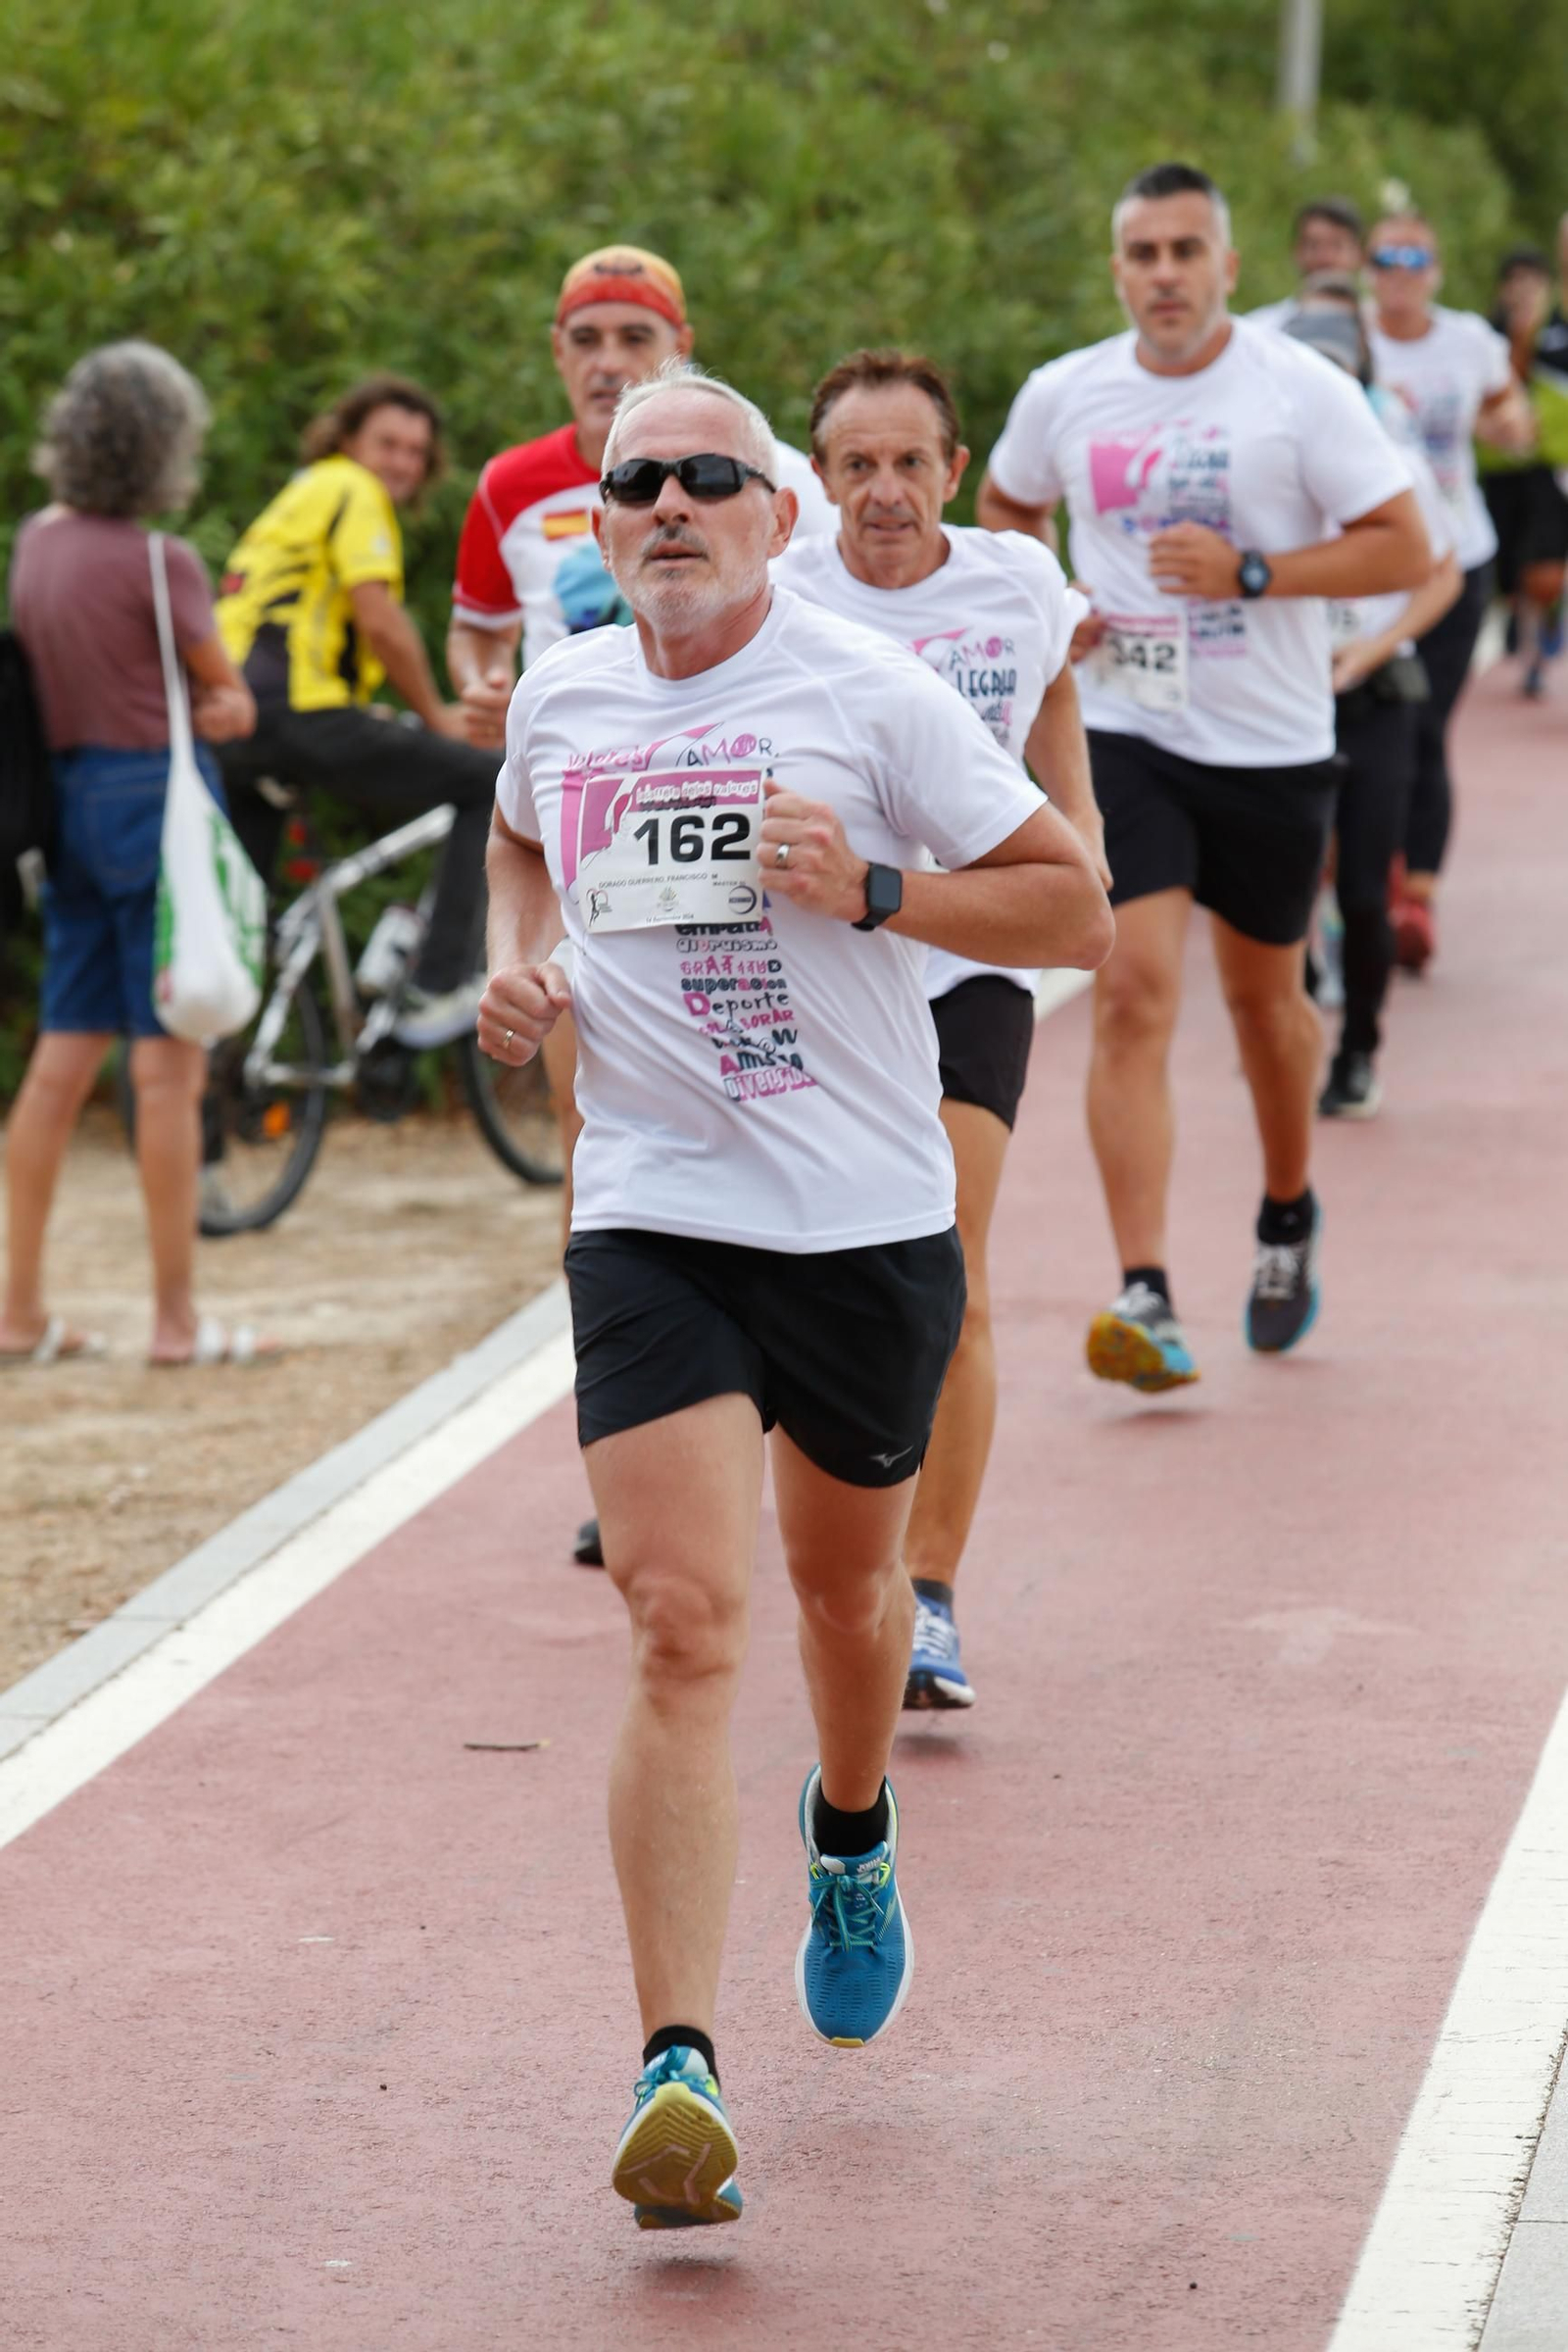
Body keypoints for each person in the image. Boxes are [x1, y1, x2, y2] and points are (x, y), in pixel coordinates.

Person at [479, 361, 1111, 2226]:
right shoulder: (567, 694)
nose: (668, 505)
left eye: (708, 479)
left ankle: (852, 1833)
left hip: (860, 1220)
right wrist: (529, 970)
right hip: (655, 1213)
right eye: (635, 483)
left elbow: (1072, 906)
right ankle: (676, 2066)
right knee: (682, 1622)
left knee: (852, 1600)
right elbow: (523, 835)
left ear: (778, 518)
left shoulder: (868, 693)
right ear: (601, 528)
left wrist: (884, 890)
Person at [976, 161, 1429, 1389]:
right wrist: (1055, 602)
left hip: (1274, 744)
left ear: (1229, 268)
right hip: (1127, 731)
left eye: (1186, 252)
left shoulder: (1301, 392)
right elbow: (1006, 508)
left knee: (1266, 1014)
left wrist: (1255, 575)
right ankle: (1146, 1291)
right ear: (1116, 268)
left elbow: (1405, 543)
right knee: (1131, 998)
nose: (1163, 275)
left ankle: (1286, 1214)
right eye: (1142, 254)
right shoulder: (1064, 392)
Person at [446, 244, 834, 1570]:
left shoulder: (737, 467)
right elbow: (475, 633)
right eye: (585, 338)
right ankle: (634, 1432)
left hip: (743, 831)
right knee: (596, 1135)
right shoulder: (511, 484)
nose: (608, 360)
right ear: (557, 353)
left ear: (679, 348)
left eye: (634, 337)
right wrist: (486, 691)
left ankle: (782, 1389)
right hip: (583, 826)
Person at [776, 347, 1103, 1713]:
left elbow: (1055, 685)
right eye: (858, 465)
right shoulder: (783, 596)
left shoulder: (1019, 579)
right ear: (819, 483)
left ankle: (930, 1594)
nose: (887, 491)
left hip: (963, 956)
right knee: (817, 1268)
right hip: (823, 974)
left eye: (911, 462)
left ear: (956, 472)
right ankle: (836, 1558)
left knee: (953, 1259)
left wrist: (1077, 830)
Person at [1, 341, 274, 1369]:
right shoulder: (162, 564)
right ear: (165, 449)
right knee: (167, 1071)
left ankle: (17, 1310)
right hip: (156, 807)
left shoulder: (38, 542)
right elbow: (226, 701)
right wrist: (229, 701)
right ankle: (173, 1321)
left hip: (69, 809)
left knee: (58, 1064)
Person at [217, 376, 501, 1048]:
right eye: (388, 444)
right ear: (348, 441)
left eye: (414, 452)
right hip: (299, 718)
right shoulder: (353, 489)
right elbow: (380, 620)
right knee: (487, 781)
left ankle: (210, 1078)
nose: (400, 463)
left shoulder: (300, 494)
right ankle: (435, 986)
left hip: (238, 725)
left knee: (242, 923)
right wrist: (434, 712)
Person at [1283, 283, 1462, 1116]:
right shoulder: (1262, 459)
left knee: (1362, 887)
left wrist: (1374, 646)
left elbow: (1444, 572)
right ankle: (1295, 1000)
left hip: (1377, 696)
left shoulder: (1395, 462)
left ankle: (1358, 1050)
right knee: (1284, 885)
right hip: (1281, 701)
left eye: (1335, 371)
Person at [1366, 212, 1534, 970]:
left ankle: (1417, 901)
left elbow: (1510, 407)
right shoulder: (1342, 337)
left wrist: (1512, 426)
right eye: (1386, 257)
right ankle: (1366, 881)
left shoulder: (1468, 341)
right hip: (1370, 568)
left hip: (1455, 560)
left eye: (1414, 258)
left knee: (1426, 727)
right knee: (1369, 733)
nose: (1399, 270)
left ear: (1434, 269)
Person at [1480, 247, 1568, 697]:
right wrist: (1522, 332)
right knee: (1535, 573)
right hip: (1529, 468)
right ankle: (1537, 642)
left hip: (1547, 466)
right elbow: (1505, 391)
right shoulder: (1503, 334)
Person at [1247, 195, 1366, 329]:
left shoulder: (1381, 333)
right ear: (1296, 252)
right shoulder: (1260, 327)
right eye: (1313, 245)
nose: (1325, 257)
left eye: (1336, 246)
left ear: (1359, 254)